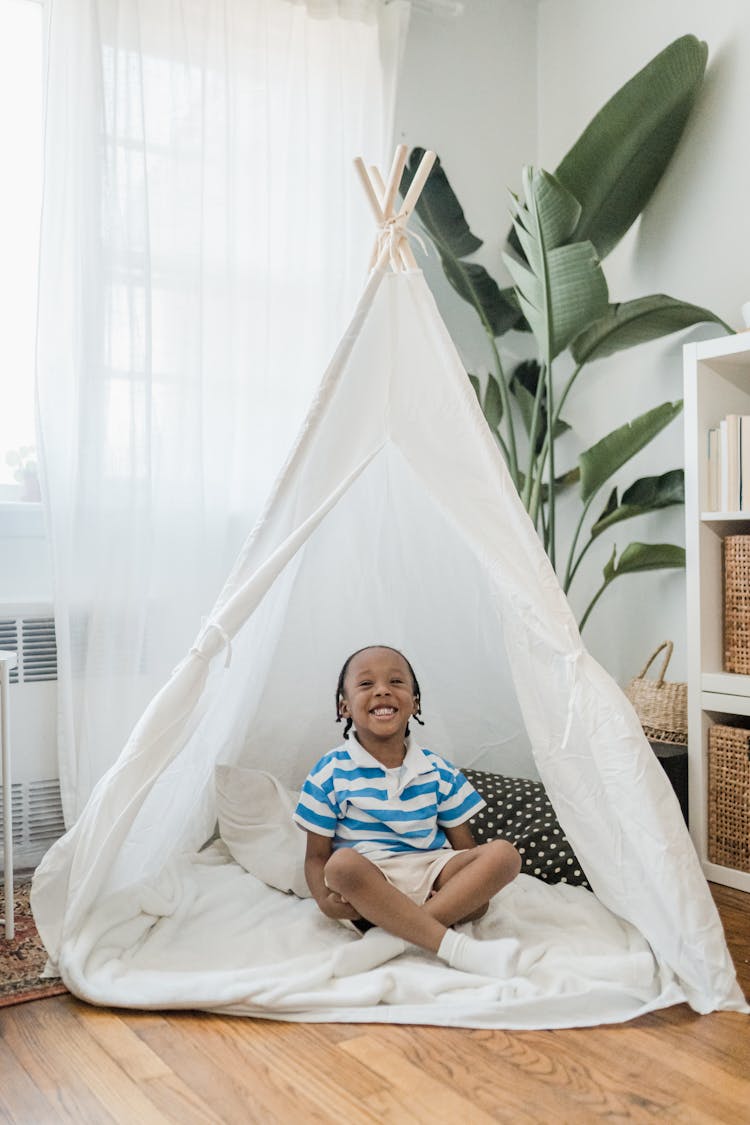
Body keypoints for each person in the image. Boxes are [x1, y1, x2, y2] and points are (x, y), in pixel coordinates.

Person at [293, 644, 522, 978]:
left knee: (504, 854)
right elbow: (316, 857)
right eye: (366, 684)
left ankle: (390, 941)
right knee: (340, 865)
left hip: (431, 870)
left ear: (414, 703)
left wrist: (470, 885)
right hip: (371, 881)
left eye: (396, 682)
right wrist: (324, 901)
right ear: (344, 707)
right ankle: (453, 947)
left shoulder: (437, 770)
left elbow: (465, 849)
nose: (383, 689)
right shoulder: (331, 771)